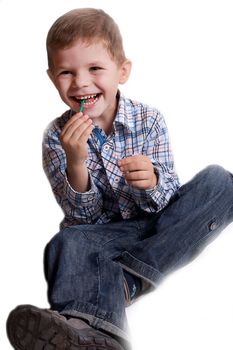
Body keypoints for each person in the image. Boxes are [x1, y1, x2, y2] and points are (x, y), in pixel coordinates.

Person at [6, 8, 233, 350]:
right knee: (67, 243)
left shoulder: (149, 120)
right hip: (102, 236)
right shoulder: (57, 137)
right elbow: (83, 219)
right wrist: (76, 164)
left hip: (158, 225)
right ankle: (91, 334)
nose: (81, 82)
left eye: (94, 68)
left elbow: (169, 194)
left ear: (122, 71)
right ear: (53, 78)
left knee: (221, 182)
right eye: (67, 72)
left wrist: (152, 182)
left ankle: (123, 281)